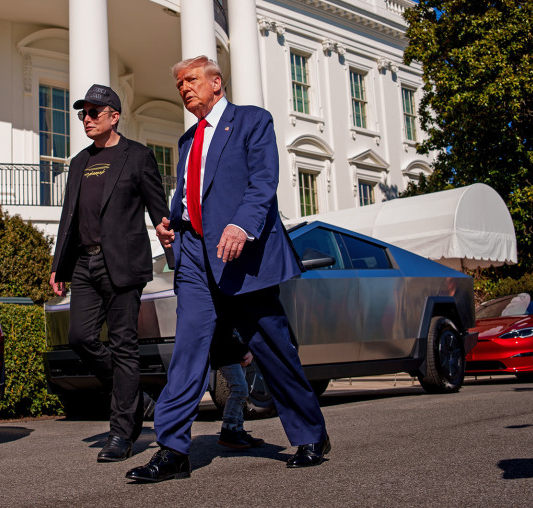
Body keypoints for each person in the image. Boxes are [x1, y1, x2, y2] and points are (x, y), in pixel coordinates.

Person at [125, 56, 329, 483]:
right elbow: (189, 197)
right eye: (179, 82)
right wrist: (172, 224)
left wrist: (241, 225)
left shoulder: (252, 121)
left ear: (216, 83)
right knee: (188, 351)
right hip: (197, 258)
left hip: (243, 257)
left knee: (273, 350)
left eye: (192, 79)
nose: (184, 87)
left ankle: (311, 434)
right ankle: (173, 450)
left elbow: (262, 181)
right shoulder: (187, 141)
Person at [50, 84, 169, 463]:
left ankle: (122, 432)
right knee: (81, 337)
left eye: (93, 113)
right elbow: (69, 217)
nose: (86, 119)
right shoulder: (79, 161)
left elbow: (158, 210)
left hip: (123, 263)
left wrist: (175, 253)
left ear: (114, 116)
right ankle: (132, 400)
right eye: (82, 113)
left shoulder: (138, 156)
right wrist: (59, 265)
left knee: (123, 346)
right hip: (85, 263)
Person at [211, 327, 264, 449]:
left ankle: (238, 430)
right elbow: (223, 335)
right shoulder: (221, 313)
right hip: (226, 355)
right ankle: (228, 430)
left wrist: (248, 350)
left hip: (238, 353)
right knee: (239, 389)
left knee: (240, 390)